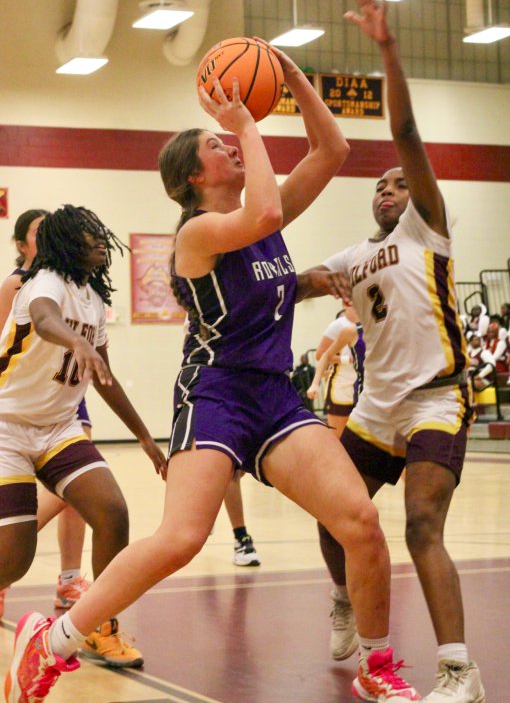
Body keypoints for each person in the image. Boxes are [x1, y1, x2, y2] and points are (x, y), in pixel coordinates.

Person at [6, 43, 420, 703]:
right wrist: (250, 123)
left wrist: (289, 80)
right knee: (180, 540)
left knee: (360, 524)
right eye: (215, 142)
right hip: (217, 392)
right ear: (191, 177)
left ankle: (377, 664)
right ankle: (51, 642)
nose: (228, 143)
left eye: (231, 139)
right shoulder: (196, 233)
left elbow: (332, 151)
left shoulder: (263, 209)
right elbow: (264, 215)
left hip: (275, 395)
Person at [297, 0, 485, 703]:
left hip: (436, 398)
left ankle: (457, 670)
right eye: (378, 185)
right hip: (374, 409)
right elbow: (295, 282)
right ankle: (343, 601)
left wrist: (386, 48)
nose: (387, 188)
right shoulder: (352, 258)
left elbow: (404, 138)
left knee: (419, 527)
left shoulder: (426, 230)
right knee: (335, 512)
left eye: (396, 184)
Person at [0, 205, 167, 686]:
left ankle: (97, 625)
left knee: (112, 514)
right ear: (66, 243)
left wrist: (142, 436)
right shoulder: (45, 281)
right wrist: (76, 342)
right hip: (8, 426)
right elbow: (45, 317)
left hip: (57, 427)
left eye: (102, 235)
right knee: (14, 557)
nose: (101, 241)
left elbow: (104, 378)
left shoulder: (92, 296)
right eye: (90, 235)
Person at [0, 210, 91, 620]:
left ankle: (70, 580)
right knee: (57, 496)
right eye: (39, 232)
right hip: (21, 396)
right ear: (22, 245)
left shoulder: (76, 285)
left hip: (66, 389)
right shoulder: (19, 284)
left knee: (82, 493)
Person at [307, 311, 365, 661]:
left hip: (369, 397)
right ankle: (344, 599)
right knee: (339, 449)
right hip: (340, 393)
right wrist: (316, 382)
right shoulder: (343, 329)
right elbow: (323, 356)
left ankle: (375, 648)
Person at [310, 305, 359, 439]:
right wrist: (346, 359)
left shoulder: (370, 320)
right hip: (341, 387)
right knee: (339, 437)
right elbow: (320, 355)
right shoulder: (339, 325)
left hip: (361, 387)